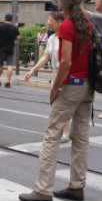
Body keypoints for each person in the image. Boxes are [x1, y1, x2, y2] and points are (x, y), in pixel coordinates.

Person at [20, 0, 94, 201]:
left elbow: (65, 62)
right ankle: (76, 186)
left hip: (71, 85)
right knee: (80, 137)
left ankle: (43, 190)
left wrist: (54, 89)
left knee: (52, 135)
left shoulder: (67, 25)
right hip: (87, 86)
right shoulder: (87, 22)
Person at [24, 12, 70, 142]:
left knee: (63, 105)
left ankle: (65, 132)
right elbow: (46, 57)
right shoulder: (51, 38)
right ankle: (64, 131)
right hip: (56, 73)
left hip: (67, 73)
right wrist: (33, 69)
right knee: (56, 103)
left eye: (51, 20)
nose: (48, 23)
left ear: (60, 22)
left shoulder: (67, 36)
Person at [0, 13, 19, 88]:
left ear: (4, 18)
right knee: (9, 66)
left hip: (0, 49)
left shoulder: (0, 26)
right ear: (11, 19)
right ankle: (8, 82)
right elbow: (18, 38)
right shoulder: (14, 27)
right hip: (10, 49)